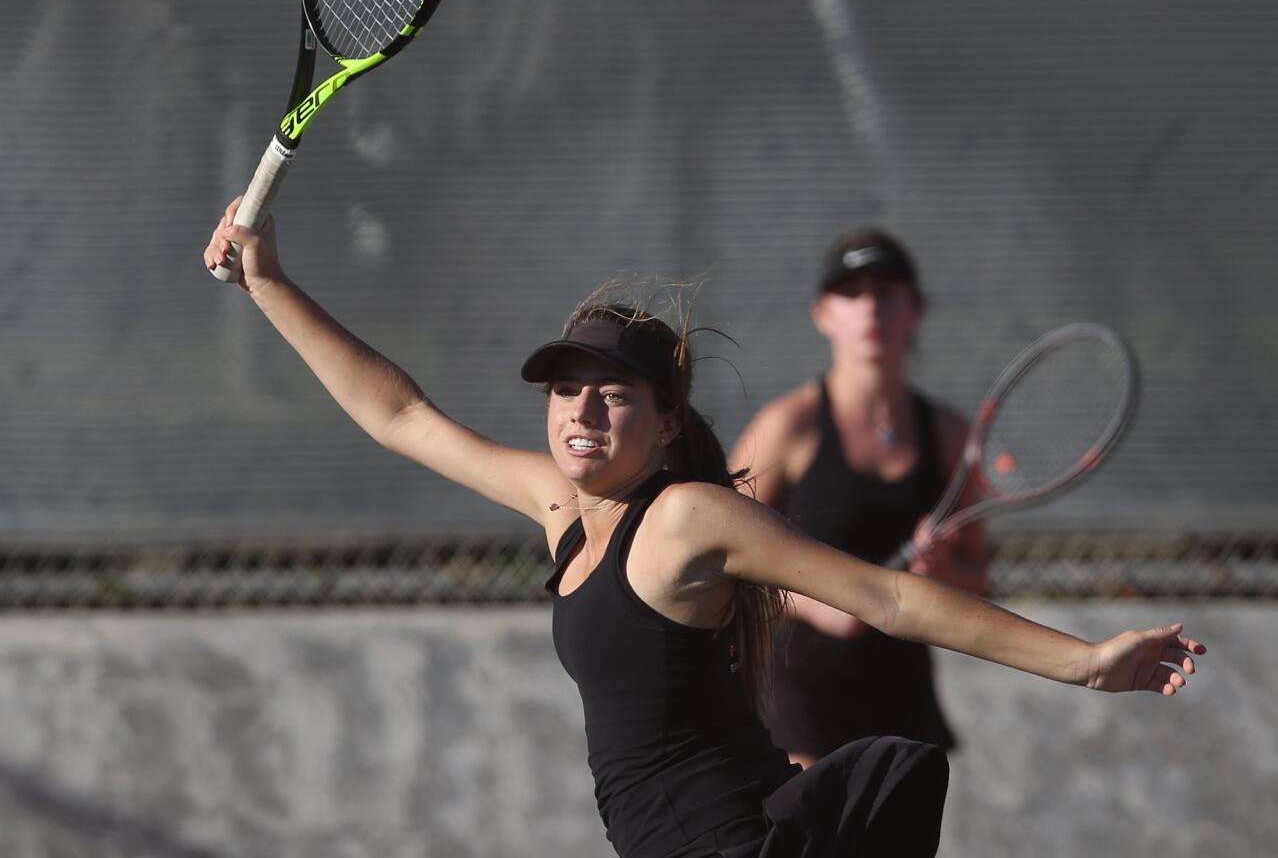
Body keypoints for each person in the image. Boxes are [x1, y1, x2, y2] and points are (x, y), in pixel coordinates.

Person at [203, 203, 1204, 858]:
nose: (582, 412)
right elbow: (398, 417)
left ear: (667, 421)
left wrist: (1087, 665)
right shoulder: (560, 506)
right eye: (565, 392)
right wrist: (270, 283)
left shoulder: (684, 518)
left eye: (614, 395)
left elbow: (888, 596)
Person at [729, 228, 986, 768]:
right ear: (823, 314)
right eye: (851, 294)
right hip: (797, 702)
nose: (870, 308)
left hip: (902, 700)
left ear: (915, 310)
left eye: (888, 293)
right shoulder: (787, 425)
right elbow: (719, 552)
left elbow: (976, 577)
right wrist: (824, 601)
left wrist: (936, 574)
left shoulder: (948, 434)